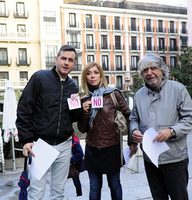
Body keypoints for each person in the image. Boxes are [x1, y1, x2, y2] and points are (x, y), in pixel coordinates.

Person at [16, 44, 81, 200]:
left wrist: (79, 108)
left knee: (58, 193)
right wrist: (26, 140)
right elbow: (24, 108)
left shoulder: (73, 86)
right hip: (41, 145)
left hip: (64, 145)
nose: (66, 62)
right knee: (36, 193)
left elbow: (74, 117)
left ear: (74, 64)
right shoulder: (40, 78)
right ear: (56, 59)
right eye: (63, 58)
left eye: (70, 60)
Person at [130, 53, 192, 200]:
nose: (149, 73)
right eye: (144, 70)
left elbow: (191, 117)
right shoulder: (139, 95)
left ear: (162, 69)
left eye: (153, 68)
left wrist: (172, 131)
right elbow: (133, 119)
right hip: (150, 160)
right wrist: (134, 130)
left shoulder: (178, 89)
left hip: (174, 158)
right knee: (158, 197)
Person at [78, 62, 134, 200]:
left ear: (101, 75)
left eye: (96, 72)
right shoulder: (84, 99)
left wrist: (132, 141)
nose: (92, 76)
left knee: (114, 185)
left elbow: (130, 117)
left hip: (112, 148)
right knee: (95, 187)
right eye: (89, 73)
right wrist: (84, 112)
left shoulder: (114, 94)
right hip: (92, 149)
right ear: (85, 77)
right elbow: (81, 129)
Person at [69, 132, 84, 197]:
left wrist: (71, 160)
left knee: (76, 180)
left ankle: (79, 195)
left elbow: (80, 154)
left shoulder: (74, 141)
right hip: (64, 164)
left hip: (73, 165)